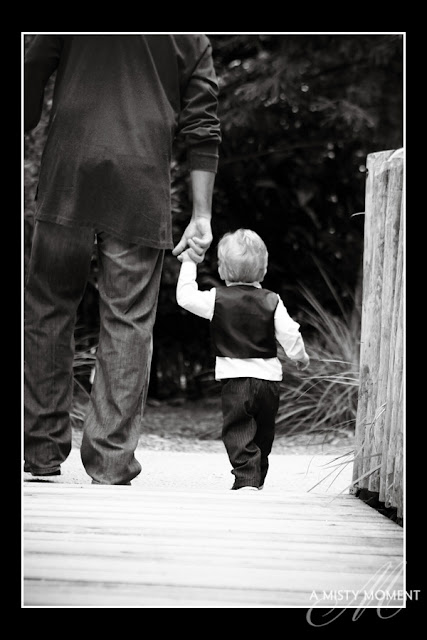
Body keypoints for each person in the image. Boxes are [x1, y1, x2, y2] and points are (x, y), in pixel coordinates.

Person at [24, 34, 221, 484]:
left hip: (68, 171)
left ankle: (40, 449)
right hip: (140, 179)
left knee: (48, 305)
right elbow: (203, 123)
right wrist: (202, 215)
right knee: (128, 317)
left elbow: (31, 63)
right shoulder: (191, 38)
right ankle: (111, 460)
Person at [176, 228, 310, 491]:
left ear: (222, 270)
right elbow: (290, 333)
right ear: (264, 270)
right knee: (263, 433)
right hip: (268, 381)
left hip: (235, 381)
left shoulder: (217, 299)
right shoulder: (272, 300)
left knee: (238, 429)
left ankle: (247, 479)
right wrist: (300, 357)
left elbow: (186, 298)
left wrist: (190, 263)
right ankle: (255, 480)